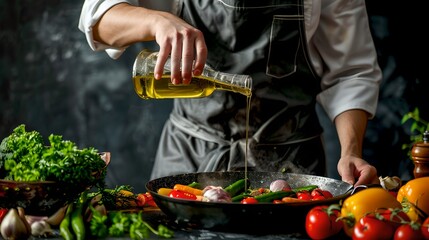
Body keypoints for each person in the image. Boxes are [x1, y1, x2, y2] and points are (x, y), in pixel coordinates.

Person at [79, 0, 381, 186]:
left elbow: (351, 72)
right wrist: (157, 21)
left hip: (292, 169)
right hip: (188, 158)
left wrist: (351, 151)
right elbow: (97, 18)